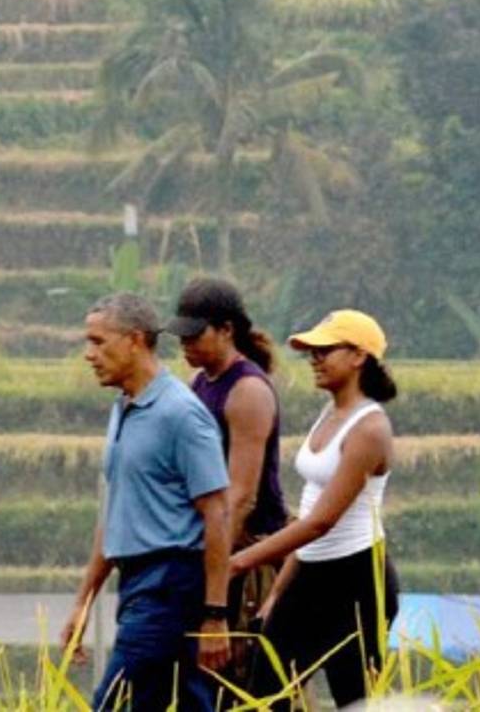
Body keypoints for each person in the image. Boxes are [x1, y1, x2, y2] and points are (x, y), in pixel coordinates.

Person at [60, 292, 232, 711]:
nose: (89, 355)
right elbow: (117, 511)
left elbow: (218, 513)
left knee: (115, 702)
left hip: (169, 583)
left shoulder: (181, 414)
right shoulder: (124, 408)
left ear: (135, 340)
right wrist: (84, 601)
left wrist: (215, 614)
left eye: (99, 342)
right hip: (136, 581)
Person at [229, 309, 400, 710]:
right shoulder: (329, 413)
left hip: (356, 582)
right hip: (310, 575)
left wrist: (238, 562)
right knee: (266, 694)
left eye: (325, 350)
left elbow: (320, 522)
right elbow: (308, 512)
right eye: (312, 351)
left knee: (354, 700)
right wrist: (279, 593)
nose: (315, 359)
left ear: (359, 356)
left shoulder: (370, 428)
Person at [164, 277, 288, 685]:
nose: (186, 345)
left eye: (195, 335)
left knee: (241, 677)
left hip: (246, 551)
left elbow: (242, 496)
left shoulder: (247, 390)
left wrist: (212, 575)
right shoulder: (201, 383)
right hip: (213, 543)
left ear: (227, 331)